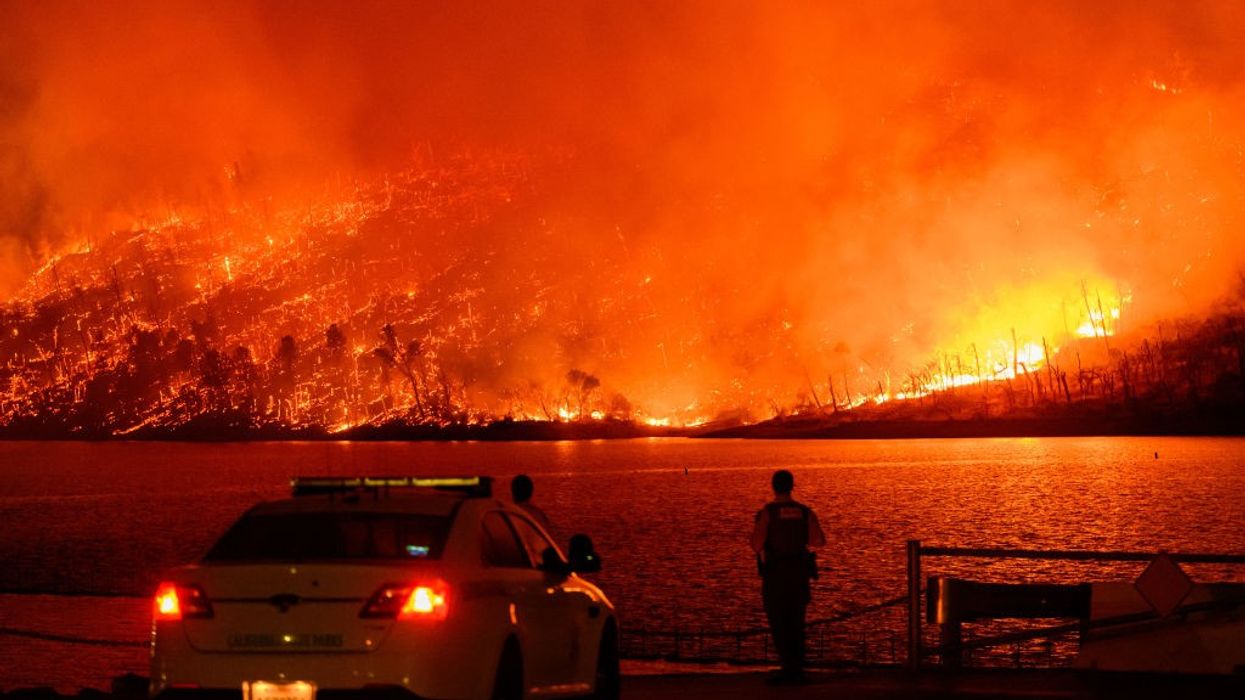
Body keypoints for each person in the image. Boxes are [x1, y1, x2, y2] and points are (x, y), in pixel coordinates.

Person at [750, 469, 825, 684]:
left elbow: (756, 546)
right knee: (797, 621)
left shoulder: (767, 513)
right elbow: (818, 541)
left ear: (773, 487)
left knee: (779, 622)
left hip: (776, 575)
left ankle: (787, 669)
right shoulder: (805, 511)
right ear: (792, 486)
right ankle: (797, 669)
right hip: (799, 575)